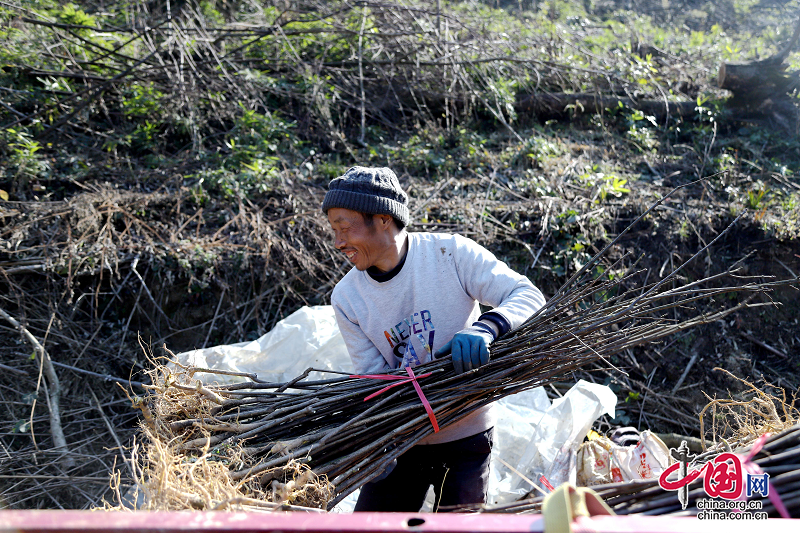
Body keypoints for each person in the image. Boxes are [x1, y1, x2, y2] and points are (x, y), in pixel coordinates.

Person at [323, 166, 545, 512]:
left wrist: (485, 328)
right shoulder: (348, 297)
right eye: (333, 231)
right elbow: (376, 380)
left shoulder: (450, 254)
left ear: (383, 219)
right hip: (399, 440)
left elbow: (527, 295)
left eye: (344, 228)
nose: (338, 242)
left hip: (467, 436)